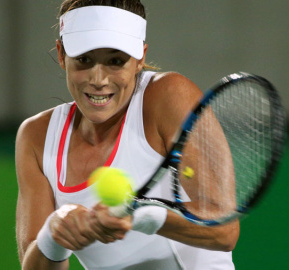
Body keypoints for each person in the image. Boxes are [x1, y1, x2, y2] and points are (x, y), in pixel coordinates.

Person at [15, 0, 240, 269]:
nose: (98, 79)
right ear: (62, 54)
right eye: (84, 60)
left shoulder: (169, 96)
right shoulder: (35, 136)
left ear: (140, 58)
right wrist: (54, 235)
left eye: (115, 61)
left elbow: (224, 231)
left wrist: (142, 217)